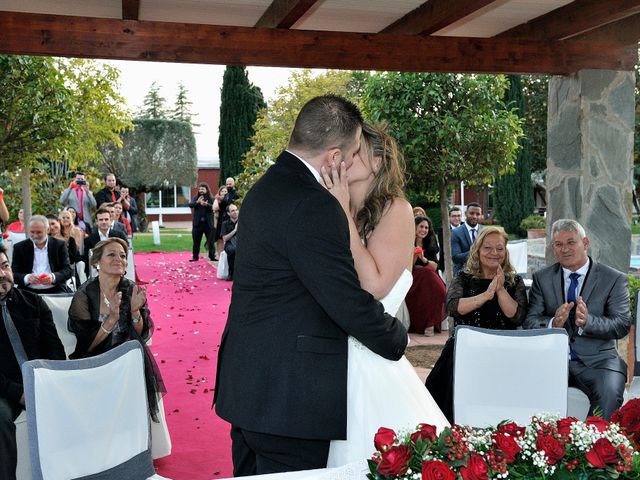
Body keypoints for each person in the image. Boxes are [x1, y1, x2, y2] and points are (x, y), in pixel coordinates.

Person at [213, 95, 408, 476]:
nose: (353, 161)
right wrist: (395, 336)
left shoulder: (265, 189)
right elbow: (344, 298)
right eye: (352, 152)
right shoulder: (312, 203)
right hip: (289, 397)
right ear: (335, 156)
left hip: (251, 385)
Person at [321, 122, 448, 467]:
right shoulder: (343, 209)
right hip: (329, 361)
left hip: (371, 364)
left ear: (378, 161)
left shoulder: (397, 210)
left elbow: (374, 286)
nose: (344, 155)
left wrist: (342, 211)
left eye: (356, 148)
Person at [524, 219, 629, 420]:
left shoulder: (613, 279)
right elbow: (530, 321)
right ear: (553, 248)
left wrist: (589, 322)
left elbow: (621, 324)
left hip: (600, 362)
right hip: (551, 361)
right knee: (522, 388)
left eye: (571, 242)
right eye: (559, 244)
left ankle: (594, 447)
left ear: (585, 243)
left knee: (608, 394)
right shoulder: (542, 278)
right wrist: (553, 324)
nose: (565, 249)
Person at [426, 226, 528, 423]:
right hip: (465, 349)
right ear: (478, 250)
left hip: (502, 352)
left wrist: (499, 290)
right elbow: (454, 307)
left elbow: (516, 316)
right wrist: (486, 295)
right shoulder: (463, 278)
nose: (494, 253)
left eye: (499, 248)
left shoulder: (514, 281)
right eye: (488, 248)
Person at [67, 238, 165, 420]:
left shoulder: (130, 288)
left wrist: (135, 311)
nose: (118, 259)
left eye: (122, 255)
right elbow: (85, 345)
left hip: (127, 359)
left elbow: (141, 334)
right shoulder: (84, 295)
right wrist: (111, 319)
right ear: (97, 262)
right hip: (96, 359)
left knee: (134, 363)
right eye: (111, 254)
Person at [0, 245, 65, 480]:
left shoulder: (33, 302)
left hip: (42, 381)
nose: (1, 274)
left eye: (4, 266)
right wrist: (19, 393)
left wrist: (50, 382)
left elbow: (55, 350)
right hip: (6, 391)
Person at [406, 215, 446, 336]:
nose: (424, 230)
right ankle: (428, 324)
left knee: (430, 278)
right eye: (421, 227)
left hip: (429, 277)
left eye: (426, 228)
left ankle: (431, 323)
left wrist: (423, 259)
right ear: (414, 227)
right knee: (425, 274)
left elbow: (434, 267)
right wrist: (414, 256)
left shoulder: (430, 244)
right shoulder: (407, 242)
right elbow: (407, 268)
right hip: (412, 276)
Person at [11, 215, 73, 294]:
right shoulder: (19, 247)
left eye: (39, 232)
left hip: (55, 290)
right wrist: (27, 278)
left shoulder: (59, 245)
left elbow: (67, 270)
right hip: (27, 291)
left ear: (47, 230)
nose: (35, 235)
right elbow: (13, 273)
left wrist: (53, 277)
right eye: (32, 232)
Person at [83, 208, 129, 277]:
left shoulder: (120, 235)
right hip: (97, 270)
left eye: (106, 219)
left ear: (110, 220)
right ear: (96, 221)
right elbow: (87, 258)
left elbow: (126, 252)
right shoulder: (89, 239)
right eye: (101, 220)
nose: (104, 222)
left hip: (117, 267)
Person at [451, 202, 483, 274]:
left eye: (478, 214)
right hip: (463, 275)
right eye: (471, 213)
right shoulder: (455, 233)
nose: (474, 216)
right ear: (466, 214)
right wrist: (477, 252)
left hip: (483, 274)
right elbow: (456, 258)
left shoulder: (485, 231)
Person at [188, 183, 215, 262]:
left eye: (203, 189)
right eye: (200, 189)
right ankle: (195, 257)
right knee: (196, 242)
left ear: (206, 190)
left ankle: (212, 256)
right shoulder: (196, 198)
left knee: (210, 241)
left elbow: (214, 208)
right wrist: (197, 202)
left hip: (208, 224)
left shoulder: (211, 198)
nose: (201, 191)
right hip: (197, 224)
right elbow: (190, 205)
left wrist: (206, 204)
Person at [438, 206, 462, 272]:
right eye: (453, 216)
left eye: (459, 216)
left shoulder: (465, 227)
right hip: (448, 264)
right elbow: (444, 247)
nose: (456, 218)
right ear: (449, 217)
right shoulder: (443, 230)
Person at [220, 204, 239, 280]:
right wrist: (235, 230)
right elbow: (224, 239)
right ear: (228, 213)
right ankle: (231, 273)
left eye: (236, 210)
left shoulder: (243, 221)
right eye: (233, 211)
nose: (235, 212)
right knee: (232, 250)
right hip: (230, 243)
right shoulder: (225, 223)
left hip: (241, 242)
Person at [212, 186, 228, 260]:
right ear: (219, 192)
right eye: (222, 191)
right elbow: (215, 208)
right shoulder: (217, 199)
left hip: (228, 219)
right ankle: (220, 256)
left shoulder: (229, 199)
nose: (224, 192)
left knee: (227, 238)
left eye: (225, 191)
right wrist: (217, 200)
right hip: (221, 220)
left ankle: (227, 255)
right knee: (220, 239)